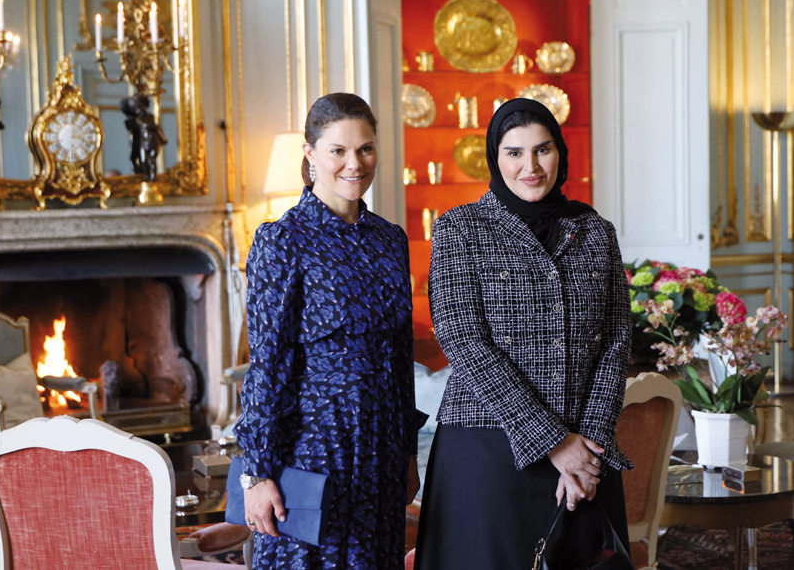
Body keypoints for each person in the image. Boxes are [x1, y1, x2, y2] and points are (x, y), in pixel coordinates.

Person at [414, 98, 633, 569]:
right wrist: (555, 443)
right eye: (514, 153)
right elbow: (463, 341)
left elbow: (616, 342)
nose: (530, 166)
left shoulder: (596, 231)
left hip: (585, 451)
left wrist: (587, 448)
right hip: (487, 447)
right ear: (496, 158)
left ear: (560, 153)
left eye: (542, 150)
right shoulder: (460, 229)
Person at [235, 93, 424, 570]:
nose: (354, 164)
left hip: (381, 451)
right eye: (338, 150)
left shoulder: (390, 239)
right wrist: (256, 474)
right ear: (310, 153)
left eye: (365, 149)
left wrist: (406, 451)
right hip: (315, 451)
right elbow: (268, 364)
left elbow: (400, 355)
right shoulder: (282, 241)